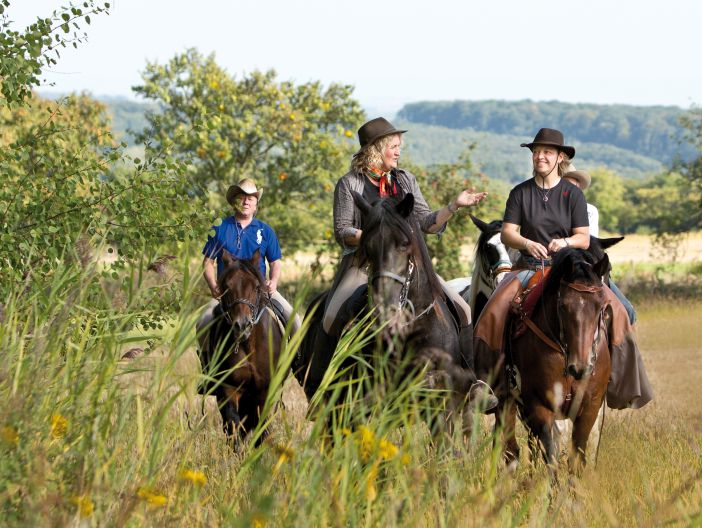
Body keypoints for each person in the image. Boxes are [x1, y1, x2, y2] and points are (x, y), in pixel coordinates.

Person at [316, 117, 496, 408]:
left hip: (411, 267)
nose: (399, 152)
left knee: (462, 309)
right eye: (394, 146)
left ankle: (470, 384)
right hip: (365, 265)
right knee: (330, 315)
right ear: (376, 149)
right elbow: (342, 230)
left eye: (399, 146)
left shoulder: (405, 180)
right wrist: (378, 236)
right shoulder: (349, 184)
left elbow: (426, 222)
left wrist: (453, 206)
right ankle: (323, 392)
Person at [474, 128, 652, 410]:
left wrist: (565, 241)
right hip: (529, 267)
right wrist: (527, 243)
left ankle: (620, 385)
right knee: (491, 313)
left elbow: (583, 237)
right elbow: (508, 233)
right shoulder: (520, 193)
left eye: (547, 152)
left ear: (560, 158)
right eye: (536, 152)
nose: (540, 157)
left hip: (568, 269)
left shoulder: (573, 194)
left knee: (621, 311)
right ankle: (489, 385)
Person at [197, 178, 300, 359]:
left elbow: (275, 262)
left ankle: (297, 361)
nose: (246, 201)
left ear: (255, 204)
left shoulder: (266, 230)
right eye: (242, 197)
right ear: (234, 201)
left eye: (250, 198)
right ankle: (206, 369)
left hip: (259, 290)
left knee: (294, 318)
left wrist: (274, 282)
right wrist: (213, 286)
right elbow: (207, 262)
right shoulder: (220, 227)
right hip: (228, 292)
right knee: (203, 321)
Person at [563, 168, 637, 324]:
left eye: (575, 185)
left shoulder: (590, 210)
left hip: (590, 269)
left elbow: (591, 244)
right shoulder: (551, 210)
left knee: (628, 311)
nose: (571, 189)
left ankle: (623, 348)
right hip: (562, 266)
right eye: (566, 184)